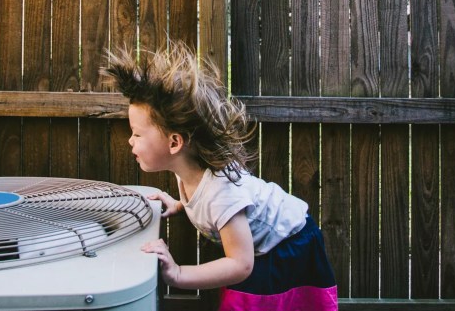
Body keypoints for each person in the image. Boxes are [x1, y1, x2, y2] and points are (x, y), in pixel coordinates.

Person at [101, 41, 338, 311]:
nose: (130, 141)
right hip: (257, 249)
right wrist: (179, 205)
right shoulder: (189, 170)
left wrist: (178, 273)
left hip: (287, 245)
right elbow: (205, 203)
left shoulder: (222, 193)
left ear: (175, 142)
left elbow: (240, 264)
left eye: (137, 133)